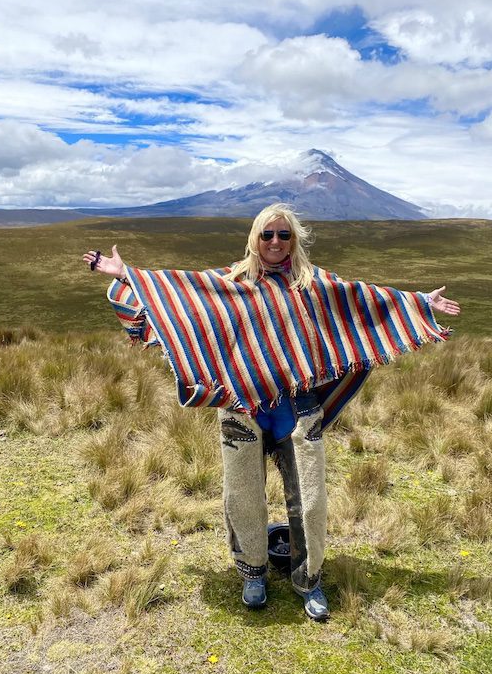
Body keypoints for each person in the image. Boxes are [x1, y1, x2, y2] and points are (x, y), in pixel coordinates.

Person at [83, 204, 459, 621]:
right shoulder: (229, 282)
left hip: (298, 411)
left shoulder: (314, 284)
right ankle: (253, 573)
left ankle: (309, 581)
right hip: (242, 409)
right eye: (268, 235)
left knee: (311, 501)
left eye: (284, 235)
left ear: (294, 240)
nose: (276, 243)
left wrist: (420, 304)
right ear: (254, 238)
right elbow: (179, 294)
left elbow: (363, 301)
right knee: (242, 497)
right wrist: (124, 274)